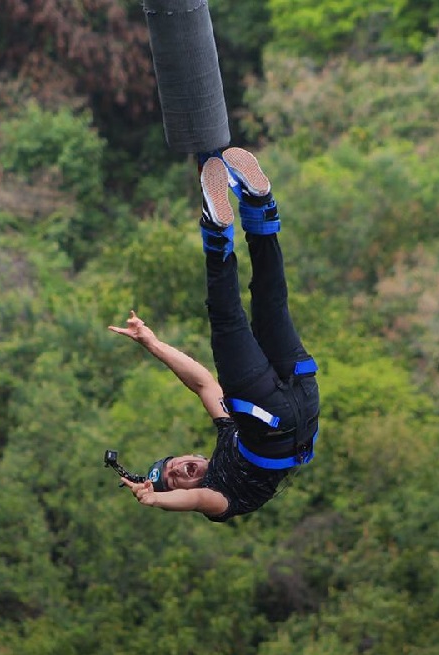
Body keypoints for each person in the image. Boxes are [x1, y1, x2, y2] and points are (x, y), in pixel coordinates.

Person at [109, 148, 320, 522]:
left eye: (172, 466)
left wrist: (154, 345)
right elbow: (197, 501)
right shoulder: (222, 498)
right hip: (285, 411)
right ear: (183, 493)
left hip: (291, 402)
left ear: (191, 455)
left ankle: (259, 208)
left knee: (270, 305)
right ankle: (217, 234)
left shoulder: (227, 434)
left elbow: (203, 383)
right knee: (229, 320)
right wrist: (154, 499)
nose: (177, 473)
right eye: (174, 483)